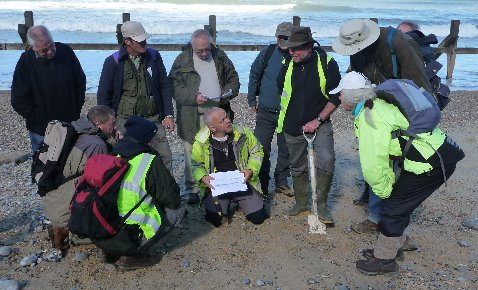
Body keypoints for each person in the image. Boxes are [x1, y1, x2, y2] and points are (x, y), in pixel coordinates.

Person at [330, 71, 464, 275]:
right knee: (397, 204)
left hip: (431, 162)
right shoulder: (378, 105)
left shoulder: (370, 115)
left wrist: (385, 192)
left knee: (392, 207)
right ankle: (396, 245)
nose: (338, 98)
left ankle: (385, 260)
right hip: (437, 154)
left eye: (340, 94)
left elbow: (374, 165)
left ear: (350, 96)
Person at [332, 19, 434, 232]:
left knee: (398, 169)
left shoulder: (398, 43)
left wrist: (407, 125)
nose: (353, 51)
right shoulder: (356, 47)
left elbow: (420, 86)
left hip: (402, 114)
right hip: (376, 108)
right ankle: (377, 216)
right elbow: (359, 77)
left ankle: (393, 227)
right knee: (376, 160)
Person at [95, 115, 183, 270]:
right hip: (128, 232)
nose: (157, 141)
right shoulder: (149, 160)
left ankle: (105, 250)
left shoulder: (111, 152)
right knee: (176, 211)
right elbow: (171, 199)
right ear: (147, 139)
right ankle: (132, 256)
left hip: (102, 227)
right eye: (154, 137)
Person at [277, 26, 341, 226]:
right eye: (290, 48)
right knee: (296, 165)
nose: (292, 51)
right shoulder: (287, 64)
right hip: (291, 125)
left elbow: (335, 97)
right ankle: (301, 202)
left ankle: (321, 205)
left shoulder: (327, 63)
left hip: (320, 123)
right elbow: (282, 90)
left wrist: (318, 120)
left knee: (327, 160)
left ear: (309, 47)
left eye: (296, 48)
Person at [170, 29, 240, 204]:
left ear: (211, 44)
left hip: (218, 113)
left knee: (219, 149)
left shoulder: (220, 56)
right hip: (191, 115)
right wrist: (193, 96)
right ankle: (192, 189)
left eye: (206, 49)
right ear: (192, 46)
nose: (203, 53)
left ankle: (217, 186)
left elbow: (234, 78)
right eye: (199, 50)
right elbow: (173, 87)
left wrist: (227, 93)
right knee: (191, 151)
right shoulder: (182, 59)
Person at [97, 21, 174, 173]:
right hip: (126, 121)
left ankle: (168, 195)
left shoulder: (154, 56)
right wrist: (110, 125)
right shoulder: (113, 62)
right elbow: (104, 95)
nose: (144, 43)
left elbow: (164, 86)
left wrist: (168, 114)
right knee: (128, 162)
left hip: (153, 118)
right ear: (127, 41)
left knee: (165, 158)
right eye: (140, 40)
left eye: (145, 39)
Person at [44, 105, 119, 251]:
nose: (114, 127)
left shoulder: (74, 128)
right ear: (98, 125)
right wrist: (116, 143)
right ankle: (67, 232)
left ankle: (59, 226)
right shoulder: (96, 144)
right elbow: (101, 177)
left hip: (52, 194)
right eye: (111, 124)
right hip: (64, 202)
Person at [11, 25, 86, 154]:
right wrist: (38, 119)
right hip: (41, 129)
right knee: (42, 167)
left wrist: (76, 108)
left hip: (70, 122)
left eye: (51, 46)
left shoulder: (65, 51)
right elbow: (18, 99)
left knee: (68, 162)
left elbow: (80, 81)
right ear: (33, 47)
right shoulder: (26, 62)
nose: (50, 52)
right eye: (44, 50)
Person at [191, 108, 266, 227]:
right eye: (222, 120)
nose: (228, 121)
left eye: (227, 116)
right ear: (213, 128)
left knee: (258, 218)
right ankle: (223, 205)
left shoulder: (243, 133)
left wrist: (251, 170)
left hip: (242, 182)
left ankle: (241, 203)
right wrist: (203, 177)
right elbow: (195, 165)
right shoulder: (200, 142)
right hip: (217, 186)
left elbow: (257, 151)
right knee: (216, 220)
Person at [247, 22, 293, 200]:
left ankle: (282, 181)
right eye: (279, 36)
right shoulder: (267, 52)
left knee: (285, 149)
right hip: (265, 111)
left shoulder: (296, 55)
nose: (282, 40)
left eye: (286, 37)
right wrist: (251, 98)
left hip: (287, 113)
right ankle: (262, 183)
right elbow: (254, 74)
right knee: (260, 148)